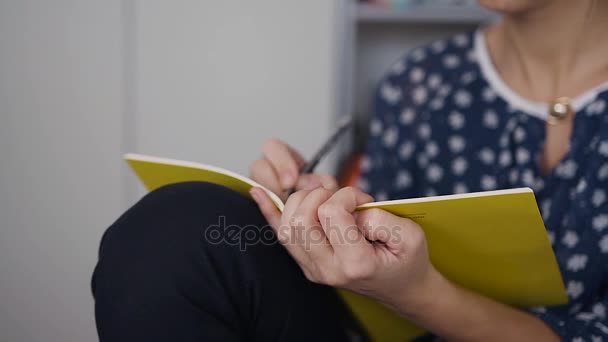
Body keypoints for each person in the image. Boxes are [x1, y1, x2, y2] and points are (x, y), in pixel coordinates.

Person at [92, 0, 608, 340]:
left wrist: (422, 293)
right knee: (179, 227)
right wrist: (329, 218)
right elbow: (374, 285)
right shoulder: (421, 81)